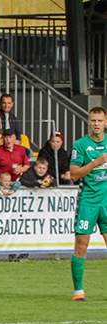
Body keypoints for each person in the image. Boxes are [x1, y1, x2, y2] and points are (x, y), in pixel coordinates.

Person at [69, 107, 107, 301]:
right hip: (88, 202)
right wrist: (95, 163)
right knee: (81, 246)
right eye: (93, 120)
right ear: (88, 122)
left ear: (105, 122)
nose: (96, 124)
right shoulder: (81, 145)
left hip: (106, 202)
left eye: (100, 120)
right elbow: (74, 174)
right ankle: (78, 291)